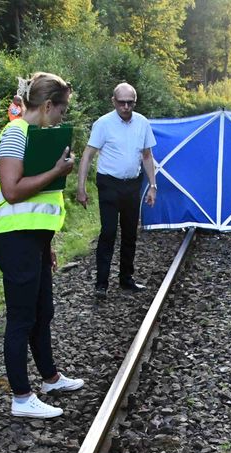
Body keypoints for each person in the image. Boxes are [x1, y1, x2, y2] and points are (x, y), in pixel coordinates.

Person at [0, 72, 85, 419]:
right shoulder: (15, 134)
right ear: (46, 106)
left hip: (34, 240)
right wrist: (57, 171)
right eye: (61, 110)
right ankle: (21, 397)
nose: (62, 117)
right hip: (15, 240)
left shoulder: (33, 135)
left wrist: (48, 244)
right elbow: (12, 189)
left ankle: (50, 378)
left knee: (43, 313)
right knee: (21, 319)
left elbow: (37, 200)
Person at [76, 82, 157, 298]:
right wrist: (81, 187)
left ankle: (126, 278)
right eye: (122, 102)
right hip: (109, 184)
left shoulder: (142, 123)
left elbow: (147, 156)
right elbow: (88, 155)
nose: (126, 107)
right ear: (113, 101)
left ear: (135, 102)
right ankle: (101, 283)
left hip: (132, 184)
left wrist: (152, 185)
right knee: (109, 232)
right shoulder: (103, 124)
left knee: (130, 232)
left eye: (130, 103)